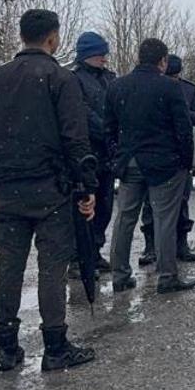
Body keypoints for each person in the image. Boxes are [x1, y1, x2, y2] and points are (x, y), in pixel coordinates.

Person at [0, 9, 97, 371]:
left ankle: (6, 349)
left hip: (8, 189)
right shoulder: (59, 78)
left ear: (22, 35)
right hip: (50, 189)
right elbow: (75, 137)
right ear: (53, 37)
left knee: (10, 268)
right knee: (51, 269)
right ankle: (55, 346)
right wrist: (86, 186)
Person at [104, 38, 195, 294]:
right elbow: (183, 129)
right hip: (164, 163)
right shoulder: (170, 88)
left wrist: (118, 156)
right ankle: (167, 276)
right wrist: (186, 162)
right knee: (164, 219)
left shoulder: (117, 86)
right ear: (163, 61)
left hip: (129, 161)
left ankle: (120, 274)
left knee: (124, 218)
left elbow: (108, 128)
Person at [70, 30, 117, 274]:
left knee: (105, 207)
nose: (104, 58)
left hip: (107, 154)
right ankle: (79, 258)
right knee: (84, 206)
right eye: (100, 53)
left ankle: (95, 250)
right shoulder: (75, 80)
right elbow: (83, 114)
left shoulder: (109, 78)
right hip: (87, 154)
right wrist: (106, 129)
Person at [164, 54, 195, 263]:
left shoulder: (189, 89)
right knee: (152, 205)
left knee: (182, 201)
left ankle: (181, 244)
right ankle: (152, 246)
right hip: (160, 151)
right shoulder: (156, 87)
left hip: (181, 152)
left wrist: (181, 113)